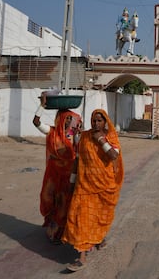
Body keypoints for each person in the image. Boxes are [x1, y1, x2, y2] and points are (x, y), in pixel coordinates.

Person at [62, 109, 124, 272]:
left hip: (105, 186)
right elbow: (77, 159)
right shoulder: (84, 137)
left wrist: (101, 140)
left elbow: (113, 156)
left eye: (99, 121)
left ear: (105, 122)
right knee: (81, 218)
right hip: (84, 185)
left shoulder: (110, 137)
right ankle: (81, 257)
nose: (96, 124)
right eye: (94, 121)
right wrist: (72, 180)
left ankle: (98, 237)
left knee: (100, 217)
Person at [33, 93, 82, 244]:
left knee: (64, 202)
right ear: (60, 119)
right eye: (66, 118)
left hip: (68, 175)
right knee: (50, 199)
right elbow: (36, 122)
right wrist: (42, 105)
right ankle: (53, 230)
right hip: (53, 174)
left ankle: (62, 233)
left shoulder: (74, 135)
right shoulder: (51, 132)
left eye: (70, 118)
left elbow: (80, 150)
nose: (69, 121)